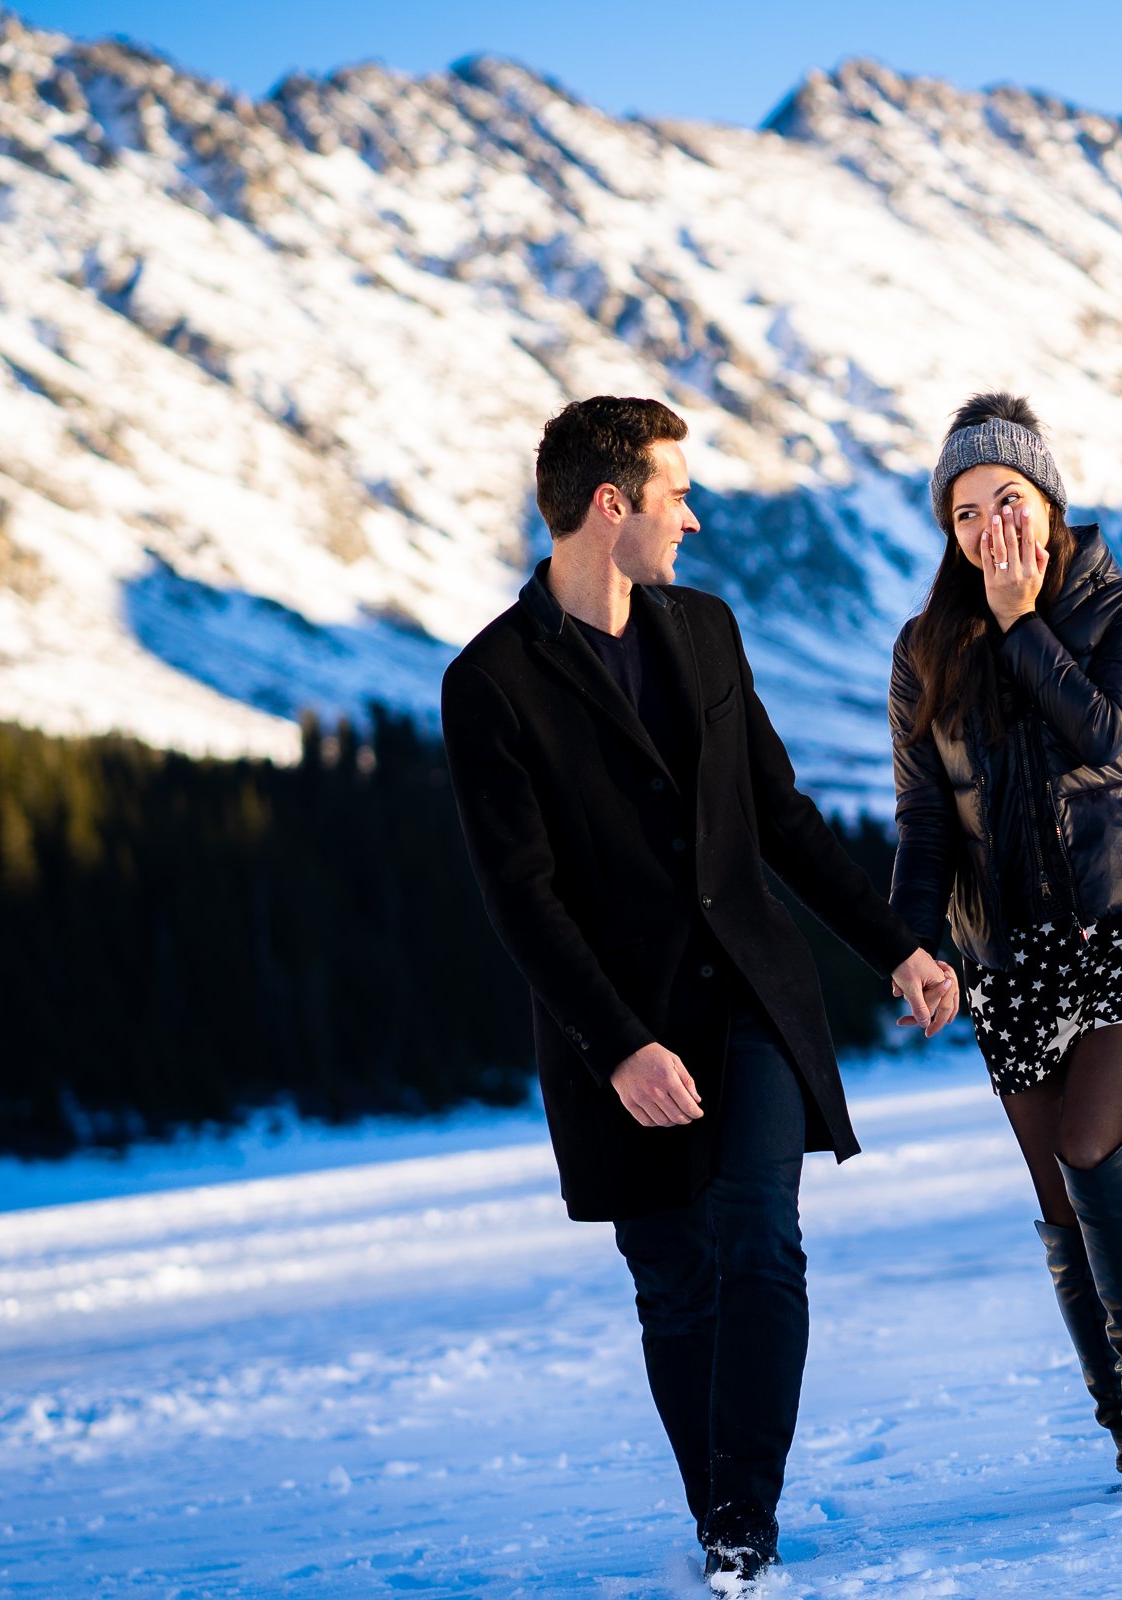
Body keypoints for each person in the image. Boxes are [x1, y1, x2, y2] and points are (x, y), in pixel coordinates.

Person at [440, 395, 956, 1584]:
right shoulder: (492, 683)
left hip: (752, 1003)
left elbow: (779, 816)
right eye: (677, 494)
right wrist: (619, 1046)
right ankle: (722, 1515)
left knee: (762, 1248)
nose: (696, 518)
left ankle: (741, 1526)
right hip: (613, 1036)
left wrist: (897, 945)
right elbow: (523, 898)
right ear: (609, 505)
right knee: (675, 1286)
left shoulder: (707, 631)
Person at [888, 392, 1122, 1484]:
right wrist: (915, 943)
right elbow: (924, 820)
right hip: (1007, 952)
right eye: (963, 514)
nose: (986, 530)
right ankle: (1119, 1418)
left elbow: (1107, 738)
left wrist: (1023, 624)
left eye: (1005, 501)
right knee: (1058, 1201)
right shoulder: (924, 651)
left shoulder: (1120, 608)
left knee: (1089, 1144)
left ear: (1050, 503)